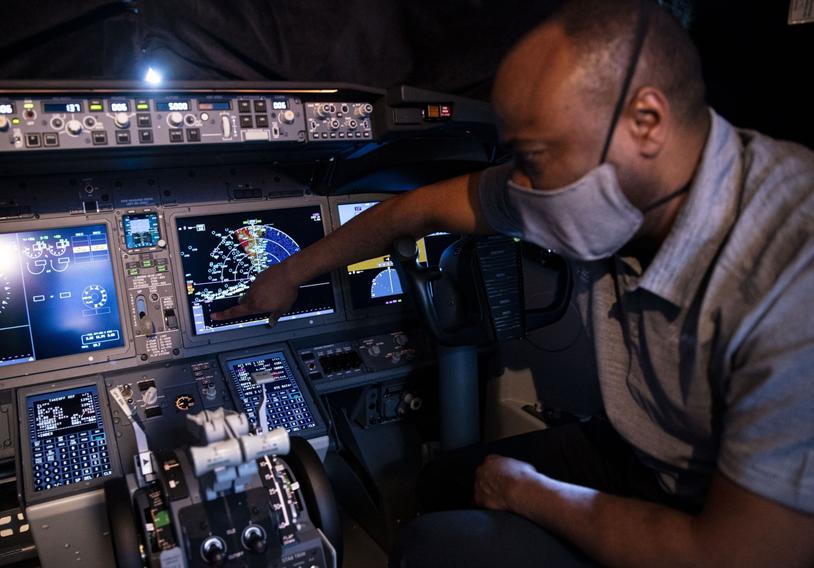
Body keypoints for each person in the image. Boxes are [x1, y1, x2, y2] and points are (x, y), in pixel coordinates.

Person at [212, 0, 814, 564]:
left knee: (430, 545)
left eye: (532, 158)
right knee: (442, 480)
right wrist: (290, 273)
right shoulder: (620, 176)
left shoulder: (790, 271)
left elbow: (734, 556)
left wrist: (531, 493)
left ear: (647, 122)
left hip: (717, 520)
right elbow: (413, 210)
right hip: (647, 451)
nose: (518, 189)